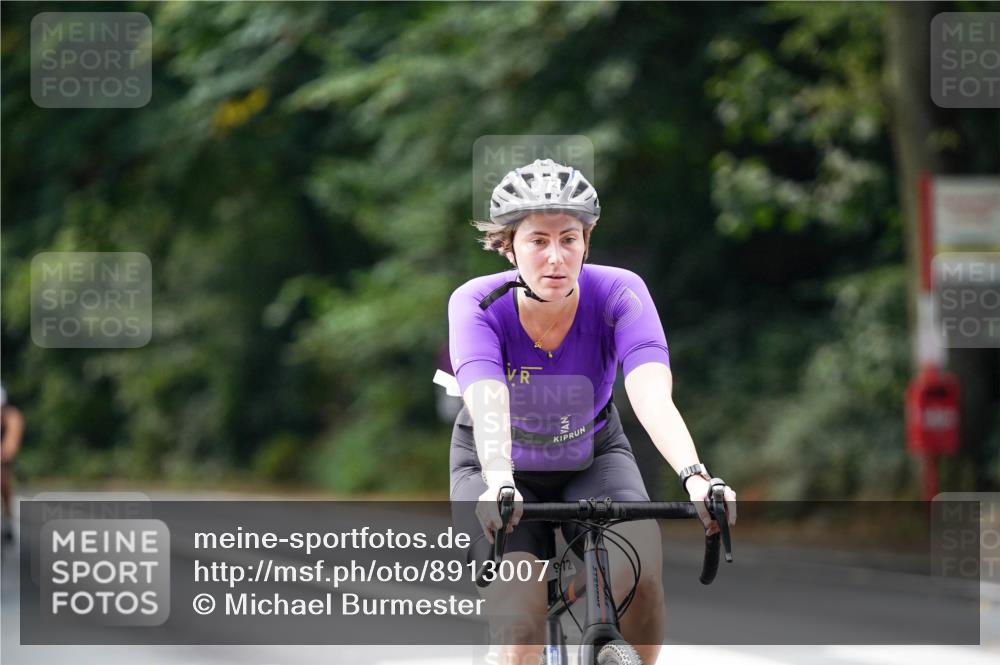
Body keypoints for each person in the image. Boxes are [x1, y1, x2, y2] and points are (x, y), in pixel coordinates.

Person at [447, 159, 737, 664]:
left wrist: (696, 477)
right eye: (538, 240)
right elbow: (488, 400)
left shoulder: (620, 293)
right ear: (508, 245)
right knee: (519, 624)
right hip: (497, 463)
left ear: (587, 241)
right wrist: (499, 481)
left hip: (592, 452)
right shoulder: (477, 302)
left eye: (570, 238)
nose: (555, 257)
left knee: (642, 569)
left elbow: (649, 392)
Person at [1, 385, 24, 544]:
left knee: (4, 478)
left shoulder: (13, 416)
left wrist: (6, 452)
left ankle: (8, 518)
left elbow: (11, 445)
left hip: (2, 458)